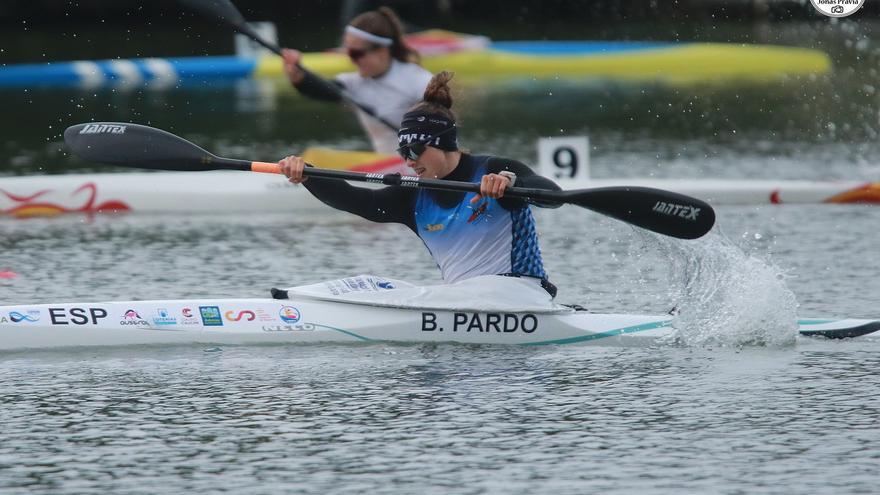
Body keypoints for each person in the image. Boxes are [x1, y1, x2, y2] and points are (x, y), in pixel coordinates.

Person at [279, 71, 563, 297]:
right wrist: (308, 175)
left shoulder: (494, 169)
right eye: (403, 153)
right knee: (374, 286)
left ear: (441, 143)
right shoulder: (413, 196)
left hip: (522, 294)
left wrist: (510, 183)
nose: (409, 161)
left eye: (414, 151)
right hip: (465, 300)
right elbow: (357, 200)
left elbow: (553, 195)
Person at [281, 7, 433, 154]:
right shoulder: (355, 84)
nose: (352, 60)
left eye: (356, 53)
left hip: (427, 171)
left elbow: (442, 133)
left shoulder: (419, 82)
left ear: (382, 50)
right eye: (348, 52)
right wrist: (298, 76)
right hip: (388, 170)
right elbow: (317, 88)